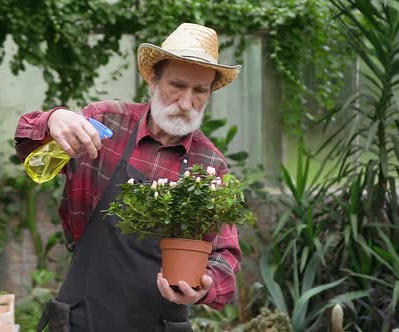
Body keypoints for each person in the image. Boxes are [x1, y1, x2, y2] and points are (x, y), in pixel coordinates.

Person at [14, 22, 243, 332]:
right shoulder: (105, 123)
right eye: (177, 85)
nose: (187, 102)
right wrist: (53, 119)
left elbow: (224, 253)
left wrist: (207, 285)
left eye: (200, 91)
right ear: (152, 78)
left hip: (160, 322)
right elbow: (29, 149)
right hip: (85, 314)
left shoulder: (209, 163)